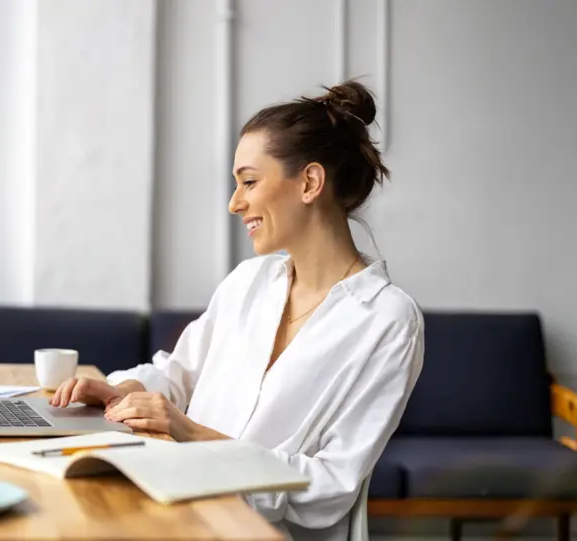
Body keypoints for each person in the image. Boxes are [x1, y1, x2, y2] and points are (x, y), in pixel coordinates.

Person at [49, 81, 425, 541]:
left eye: (249, 181)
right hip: (180, 507)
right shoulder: (250, 282)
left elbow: (331, 487)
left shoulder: (386, 320)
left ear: (309, 182)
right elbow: (178, 375)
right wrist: (121, 390)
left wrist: (191, 434)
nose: (234, 203)